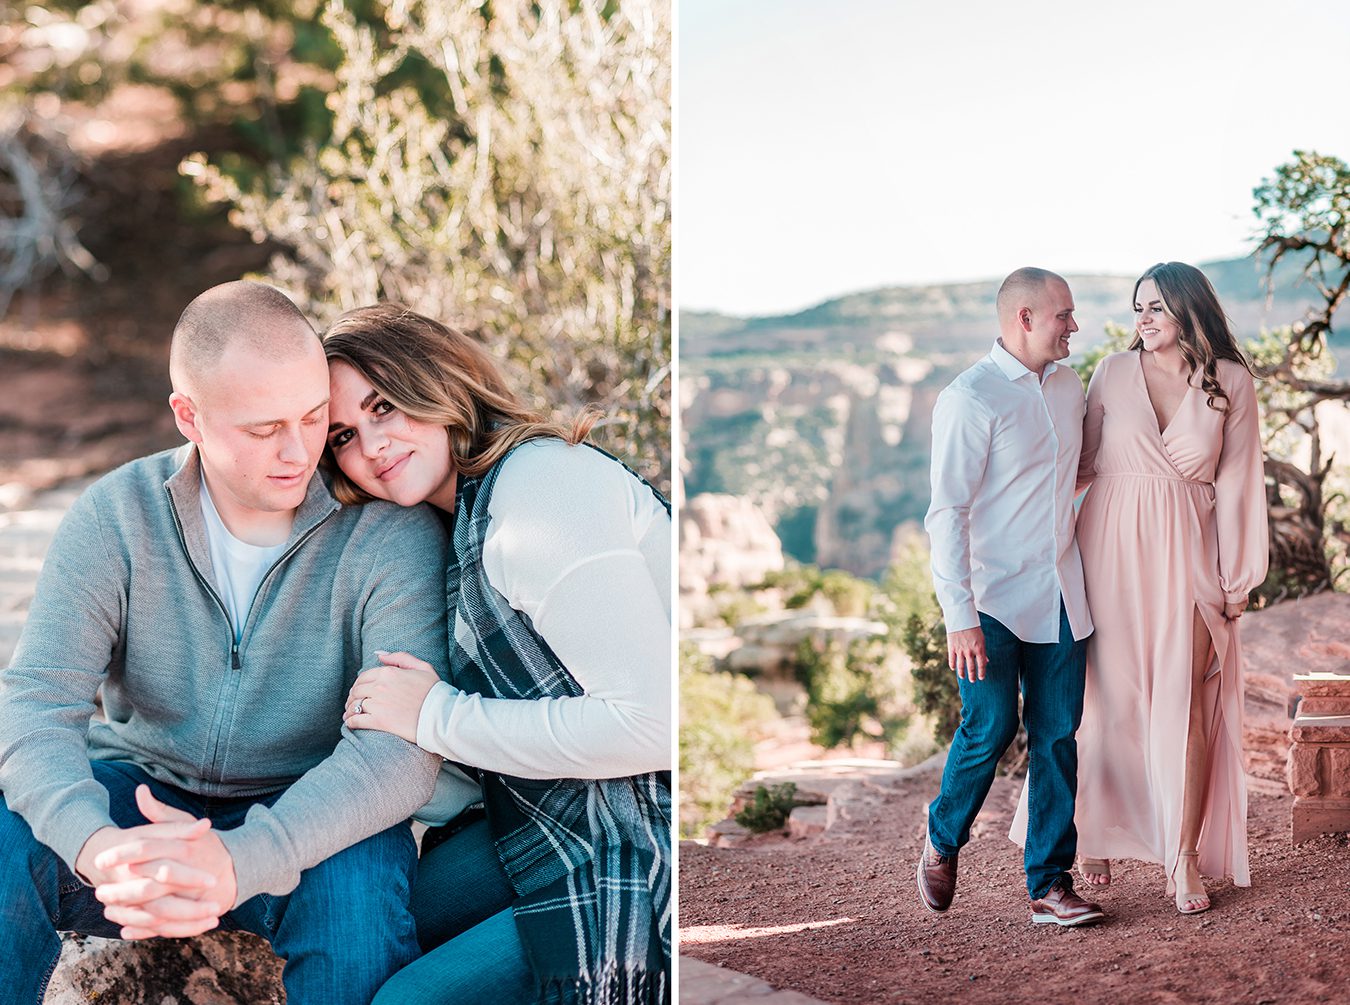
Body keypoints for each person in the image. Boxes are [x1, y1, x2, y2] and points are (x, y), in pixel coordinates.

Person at [0, 281, 449, 1004]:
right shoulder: (118, 515)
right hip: (138, 801)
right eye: (263, 428)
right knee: (2, 843)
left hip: (310, 811)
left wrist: (240, 860)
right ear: (190, 416)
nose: (299, 451)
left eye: (312, 417)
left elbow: (401, 753)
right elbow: (36, 704)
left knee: (358, 895)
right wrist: (96, 845)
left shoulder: (387, 530)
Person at [321, 303, 672, 1003]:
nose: (372, 445)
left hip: (640, 823)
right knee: (353, 918)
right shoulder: (456, 521)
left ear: (438, 376)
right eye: (343, 435)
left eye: (383, 405)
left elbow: (656, 722)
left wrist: (436, 715)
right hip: (556, 806)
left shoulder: (538, 489)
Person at [1011, 261, 1268, 914]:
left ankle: (1183, 858)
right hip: (1108, 550)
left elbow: (1240, 486)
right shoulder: (1111, 373)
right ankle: (1091, 831)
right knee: (1104, 701)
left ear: (1188, 310)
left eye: (1155, 307)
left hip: (1188, 553)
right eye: (1137, 309)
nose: (1142, 320)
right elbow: (1081, 462)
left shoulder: (1231, 381)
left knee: (1184, 707)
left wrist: (1236, 582)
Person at [917, 267, 1102, 927]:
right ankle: (943, 835)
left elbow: (1076, 471)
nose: (1074, 326)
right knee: (990, 725)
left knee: (1056, 736)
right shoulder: (970, 398)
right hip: (990, 597)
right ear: (1025, 317)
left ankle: (1049, 885)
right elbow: (948, 513)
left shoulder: (1069, 386)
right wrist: (958, 617)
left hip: (1060, 589)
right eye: (1064, 315)